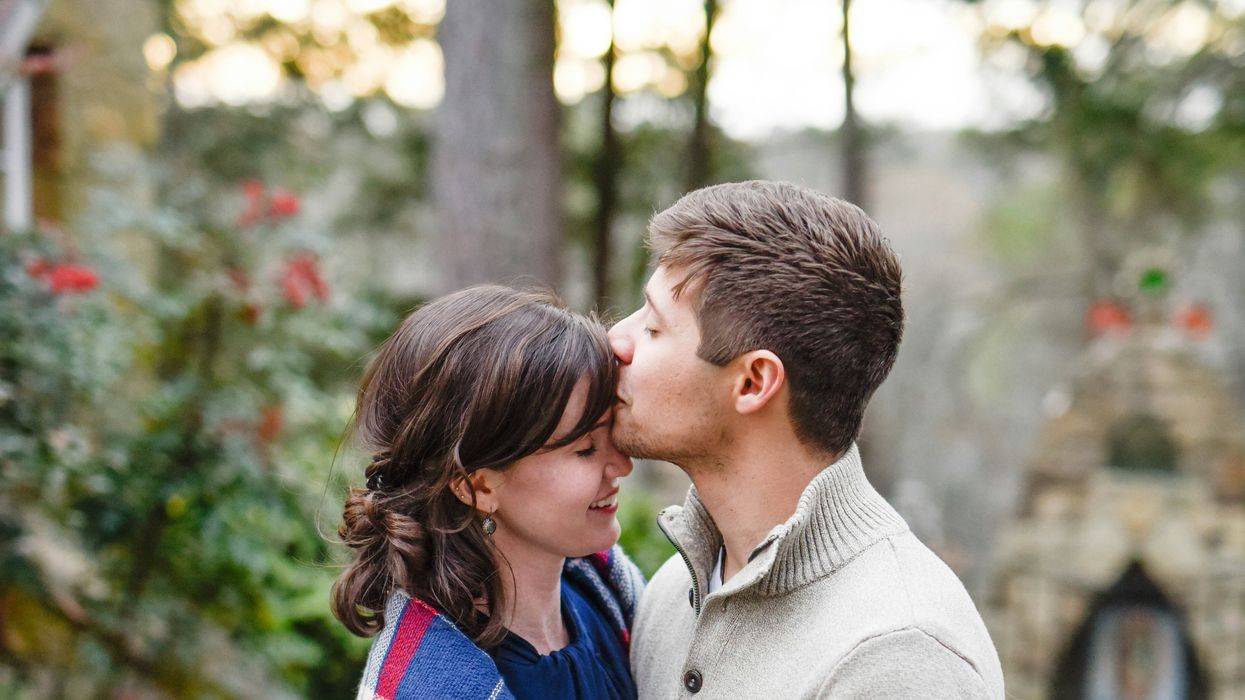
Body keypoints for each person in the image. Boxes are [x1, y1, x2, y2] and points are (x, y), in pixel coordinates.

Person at [610, 181, 1004, 699]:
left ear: (753, 383)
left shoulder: (900, 656)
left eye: (654, 327)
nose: (617, 338)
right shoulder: (672, 593)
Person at [333, 285, 643, 700]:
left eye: (613, 434)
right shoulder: (429, 687)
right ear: (476, 485)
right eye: (586, 448)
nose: (622, 465)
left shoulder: (610, 596)